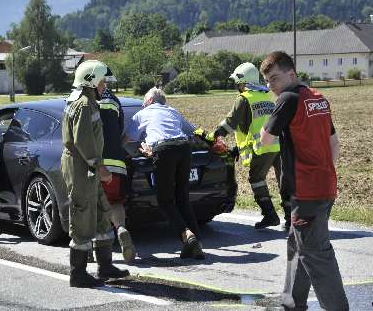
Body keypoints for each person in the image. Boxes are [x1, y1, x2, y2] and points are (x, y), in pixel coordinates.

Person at [259, 51, 348, 311]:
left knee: (315, 254)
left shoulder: (288, 98)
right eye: (267, 81)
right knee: (297, 247)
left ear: (292, 74)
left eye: (274, 78)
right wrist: (324, 173)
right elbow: (334, 143)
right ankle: (292, 304)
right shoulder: (318, 98)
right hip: (324, 186)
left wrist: (267, 120)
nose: (271, 86)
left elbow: (266, 138)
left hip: (306, 191)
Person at [61, 60, 129, 288]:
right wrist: (99, 165)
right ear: (90, 81)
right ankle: (78, 274)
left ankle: (105, 266)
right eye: (102, 81)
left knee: (102, 211)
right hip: (82, 167)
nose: (104, 85)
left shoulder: (88, 102)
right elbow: (83, 139)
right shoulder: (83, 105)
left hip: (88, 167)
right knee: (82, 215)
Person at [195, 62, 288, 229]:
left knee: (256, 179)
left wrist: (213, 136)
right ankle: (291, 218)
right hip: (280, 144)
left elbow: (230, 123)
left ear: (242, 82)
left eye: (237, 83)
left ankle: (270, 215)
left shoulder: (244, 98)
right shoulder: (268, 95)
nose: (237, 87)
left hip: (263, 147)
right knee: (284, 180)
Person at [125, 87, 205, 260]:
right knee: (182, 198)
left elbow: (127, 139)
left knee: (165, 201)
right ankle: (195, 244)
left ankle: (187, 235)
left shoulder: (143, 113)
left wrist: (146, 148)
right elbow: (192, 131)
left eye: (144, 101)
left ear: (150, 101)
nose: (142, 104)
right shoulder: (172, 111)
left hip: (164, 150)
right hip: (184, 149)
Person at [97, 77, 137, 263]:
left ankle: (89, 249)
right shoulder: (114, 100)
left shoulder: (83, 99)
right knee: (115, 201)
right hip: (117, 161)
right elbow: (120, 133)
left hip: (95, 161)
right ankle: (121, 228)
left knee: (91, 205)